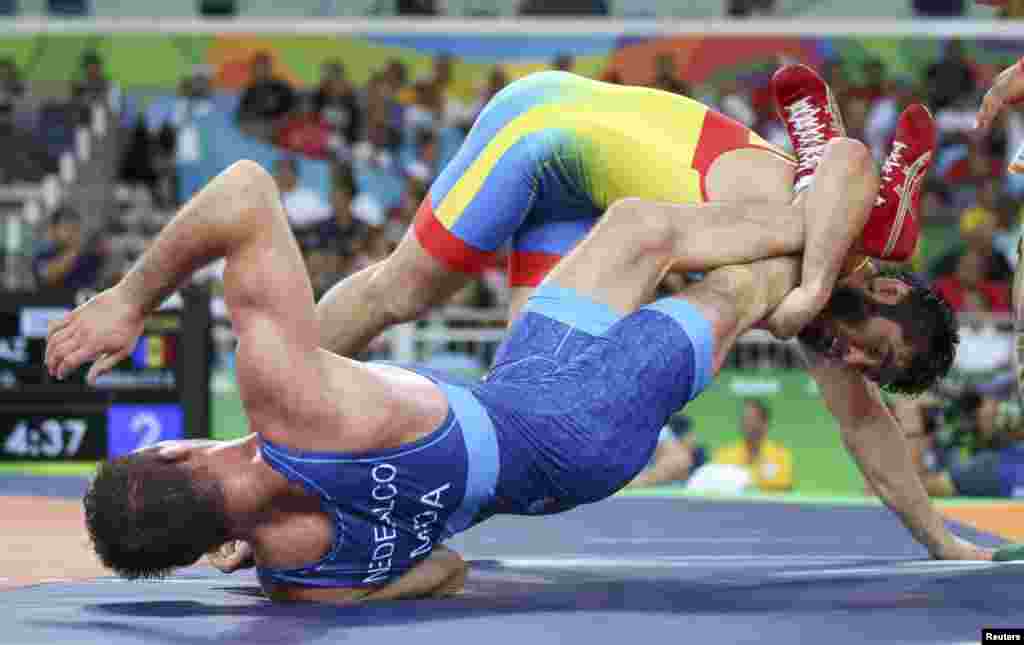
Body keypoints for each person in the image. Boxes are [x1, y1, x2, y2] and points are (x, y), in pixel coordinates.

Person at [49, 136, 986, 603]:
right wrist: (131, 299)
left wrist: (251, 534)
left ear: (203, 553)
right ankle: (843, 238)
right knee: (751, 287)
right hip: (580, 414)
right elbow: (246, 189)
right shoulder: (286, 401)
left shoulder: (299, 577)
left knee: (635, 229)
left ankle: (836, 238)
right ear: (172, 455)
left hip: (531, 404)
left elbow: (447, 566)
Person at [314, 66, 927, 359]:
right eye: (882, 354)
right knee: (400, 293)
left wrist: (938, 542)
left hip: (583, 191)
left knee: (531, 374)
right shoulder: (817, 249)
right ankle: (270, 421)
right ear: (892, 292)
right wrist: (816, 284)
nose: (856, 361)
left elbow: (862, 426)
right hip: (544, 131)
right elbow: (848, 158)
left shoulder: (816, 271)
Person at [710, 399, 794, 493]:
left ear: (765, 423)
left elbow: (784, 489)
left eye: (751, 419)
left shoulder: (781, 456)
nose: (746, 423)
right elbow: (715, 488)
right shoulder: (724, 455)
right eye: (744, 419)